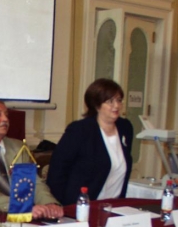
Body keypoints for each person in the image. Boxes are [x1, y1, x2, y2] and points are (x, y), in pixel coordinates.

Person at [0, 99, 63, 219]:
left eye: (6, 114)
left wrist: (49, 203)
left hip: (23, 217)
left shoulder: (19, 147)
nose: (5, 119)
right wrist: (20, 207)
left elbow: (34, 182)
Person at [46, 78, 133, 206]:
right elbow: (57, 170)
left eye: (119, 100)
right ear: (96, 104)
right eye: (110, 101)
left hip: (114, 205)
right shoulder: (80, 130)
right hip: (81, 205)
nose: (116, 106)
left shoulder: (125, 127)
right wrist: (59, 205)